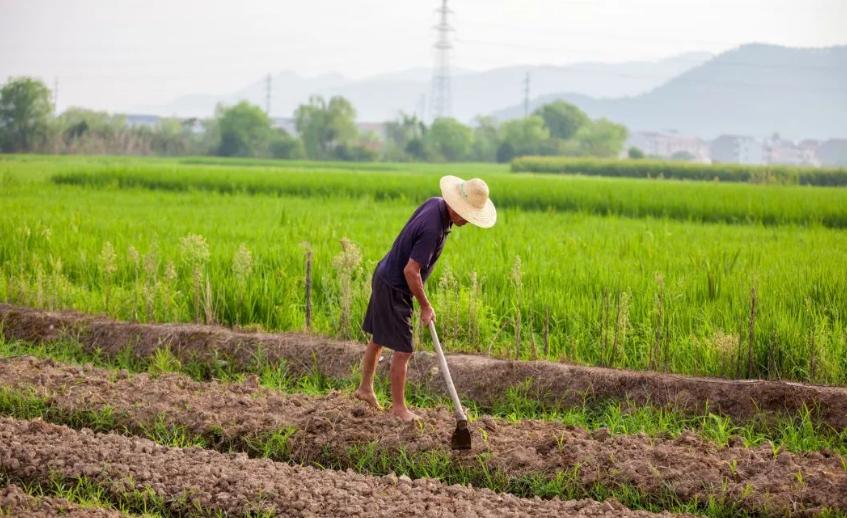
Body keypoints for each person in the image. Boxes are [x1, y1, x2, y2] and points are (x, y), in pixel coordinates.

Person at [355, 175, 496, 421]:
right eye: (467, 215)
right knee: (404, 350)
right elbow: (411, 271)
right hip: (395, 287)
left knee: (379, 338)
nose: (467, 221)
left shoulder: (435, 204)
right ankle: (399, 409)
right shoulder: (433, 228)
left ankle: (365, 389)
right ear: (456, 207)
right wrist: (425, 305)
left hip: (384, 275)